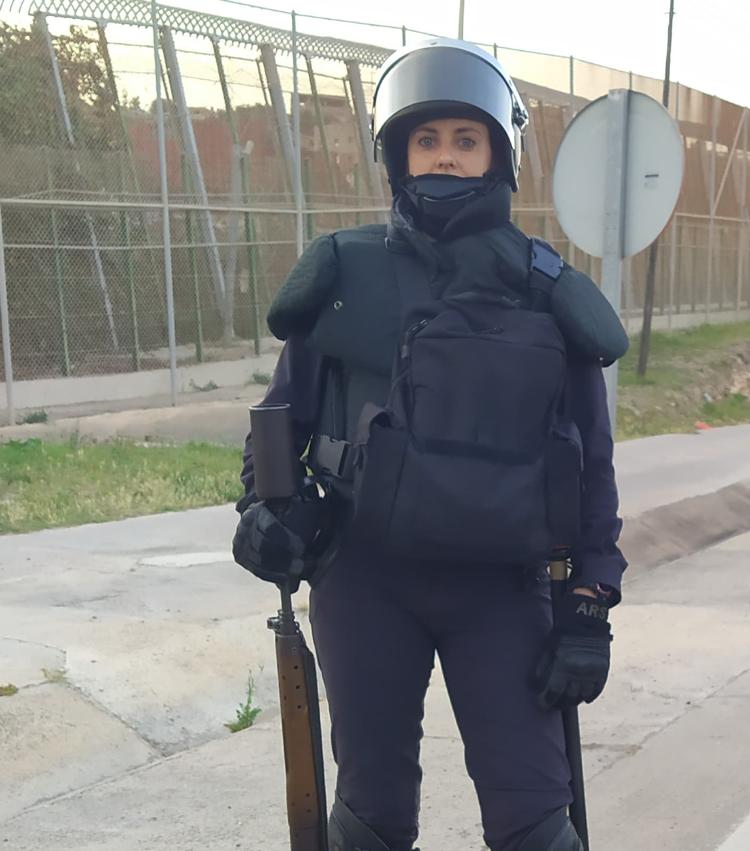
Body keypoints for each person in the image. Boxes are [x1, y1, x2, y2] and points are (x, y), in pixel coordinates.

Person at [231, 38, 628, 851]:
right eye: (427, 139)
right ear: (397, 154)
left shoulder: (547, 291)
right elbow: (283, 416)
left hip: (506, 591)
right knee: (370, 818)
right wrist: (266, 513)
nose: (444, 157)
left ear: (497, 155)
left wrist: (589, 606)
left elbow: (589, 461)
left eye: (464, 139)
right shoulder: (345, 273)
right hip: (367, 581)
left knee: (537, 826)